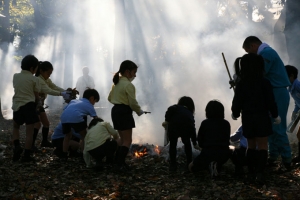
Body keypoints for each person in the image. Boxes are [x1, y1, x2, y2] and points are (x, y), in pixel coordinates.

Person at [242, 36, 292, 170]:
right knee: (269, 128)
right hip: (273, 92)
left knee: (278, 127)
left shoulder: (266, 53)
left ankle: (287, 160)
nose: (250, 55)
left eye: (248, 52)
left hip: (278, 92)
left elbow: (260, 73)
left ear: (252, 46)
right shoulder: (265, 53)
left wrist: (242, 78)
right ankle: (273, 157)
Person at [231, 53, 280, 184]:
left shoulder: (241, 84)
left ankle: (250, 173)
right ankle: (260, 173)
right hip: (262, 117)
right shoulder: (264, 82)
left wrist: (234, 113)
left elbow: (237, 101)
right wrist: (275, 115)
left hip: (247, 118)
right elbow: (271, 101)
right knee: (263, 146)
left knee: (251, 146)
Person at [108, 60, 144, 172]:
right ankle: (118, 164)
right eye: (134, 72)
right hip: (124, 112)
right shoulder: (129, 85)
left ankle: (118, 162)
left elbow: (109, 98)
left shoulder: (116, 83)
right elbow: (132, 102)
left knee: (122, 139)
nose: (135, 75)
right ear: (127, 72)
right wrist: (139, 111)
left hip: (115, 111)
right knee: (127, 141)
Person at [33, 61, 71, 149]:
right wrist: (62, 94)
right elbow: (48, 90)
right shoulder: (39, 79)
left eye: (50, 73)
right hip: (34, 104)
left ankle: (44, 141)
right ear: (41, 71)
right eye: (48, 73)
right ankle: (31, 144)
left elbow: (54, 87)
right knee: (37, 124)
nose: (49, 75)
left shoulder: (46, 79)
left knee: (46, 123)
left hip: (39, 105)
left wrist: (65, 91)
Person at [189, 100, 230, 179]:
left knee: (190, 167)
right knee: (218, 159)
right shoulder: (226, 123)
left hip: (208, 153)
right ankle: (215, 165)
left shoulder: (205, 123)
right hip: (224, 154)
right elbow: (227, 139)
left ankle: (210, 165)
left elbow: (200, 142)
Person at [11, 55, 41, 162]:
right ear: (33, 68)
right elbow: (36, 95)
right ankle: (26, 155)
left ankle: (17, 146)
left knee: (16, 127)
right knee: (30, 132)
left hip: (16, 105)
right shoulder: (34, 79)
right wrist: (39, 103)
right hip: (29, 105)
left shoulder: (15, 76)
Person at [162, 96, 200, 172]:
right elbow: (192, 128)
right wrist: (195, 143)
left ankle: (173, 165)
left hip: (174, 127)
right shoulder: (189, 113)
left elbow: (169, 110)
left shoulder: (175, 107)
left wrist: (166, 120)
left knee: (173, 145)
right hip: (186, 128)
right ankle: (189, 162)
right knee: (187, 143)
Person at [60, 88, 99, 160]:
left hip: (64, 118)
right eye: (95, 101)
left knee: (67, 135)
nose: (94, 103)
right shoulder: (89, 105)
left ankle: (64, 154)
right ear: (92, 98)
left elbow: (65, 109)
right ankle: (83, 154)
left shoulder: (74, 101)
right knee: (85, 136)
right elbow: (96, 118)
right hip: (76, 118)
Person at [285, 65, 300, 164]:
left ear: (291, 76)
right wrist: (294, 112)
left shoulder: (298, 85)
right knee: (299, 135)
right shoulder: (290, 87)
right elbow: (297, 102)